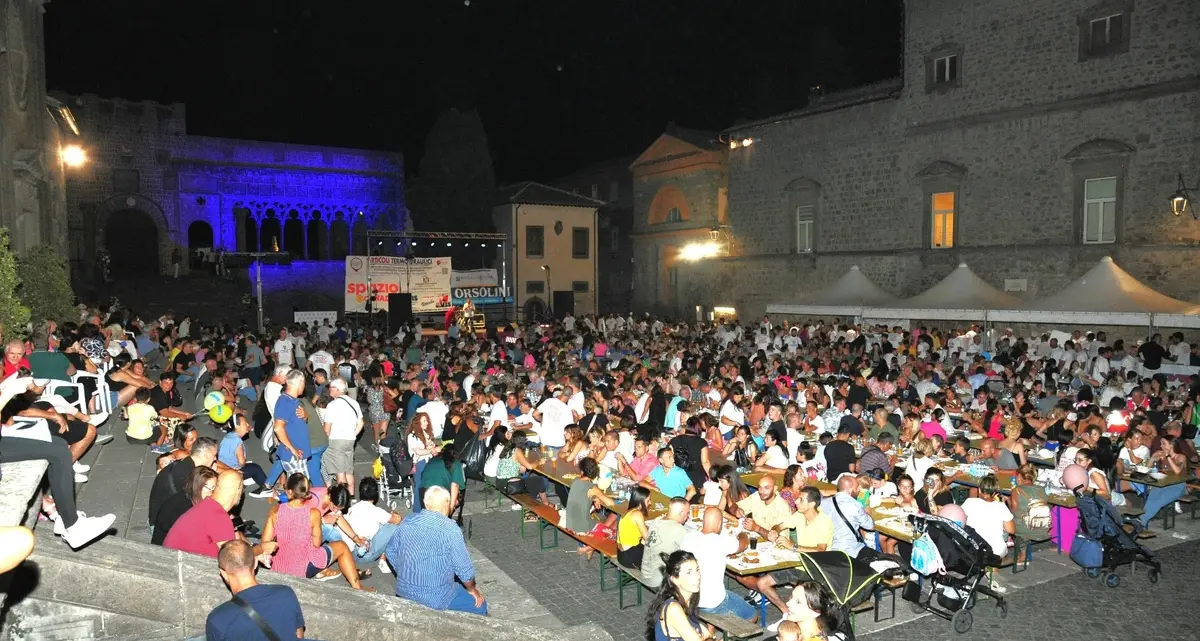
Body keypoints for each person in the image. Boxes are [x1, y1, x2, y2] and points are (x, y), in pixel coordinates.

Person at [386, 485, 487, 615]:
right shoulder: (450, 529)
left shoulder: (408, 521)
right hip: (436, 597)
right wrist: (473, 590)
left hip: (404, 591)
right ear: (446, 505)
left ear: (425, 503)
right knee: (480, 606)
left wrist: (404, 571)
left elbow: (390, 551)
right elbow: (465, 571)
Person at [260, 473, 371, 590]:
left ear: (289, 491)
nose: (336, 511)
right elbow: (316, 544)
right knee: (341, 545)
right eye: (335, 508)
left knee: (329, 532)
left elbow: (265, 543)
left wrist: (355, 537)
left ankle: (332, 568)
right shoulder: (313, 509)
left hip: (278, 567)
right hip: (302, 568)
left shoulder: (275, 511)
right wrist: (321, 521)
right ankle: (357, 586)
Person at [205, 539, 306, 641]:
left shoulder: (217, 619)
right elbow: (299, 636)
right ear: (256, 563)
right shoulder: (286, 594)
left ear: (223, 573)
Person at [758, 486, 834, 619]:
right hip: (798, 565)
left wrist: (793, 546)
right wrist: (775, 530)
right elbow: (780, 525)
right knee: (762, 583)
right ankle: (787, 612)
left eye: (801, 499)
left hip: (815, 569)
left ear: (811, 504)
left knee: (795, 596)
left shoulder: (824, 521)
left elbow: (820, 550)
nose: (796, 502)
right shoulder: (799, 515)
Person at [164, 470, 273, 559]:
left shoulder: (207, 505)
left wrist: (254, 552)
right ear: (238, 491)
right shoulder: (218, 516)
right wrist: (262, 548)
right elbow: (236, 558)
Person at [681, 506, 756, 622]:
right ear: (720, 523)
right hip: (712, 602)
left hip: (689, 596)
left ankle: (711, 632)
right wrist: (742, 534)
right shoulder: (721, 541)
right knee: (752, 616)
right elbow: (744, 544)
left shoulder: (688, 537)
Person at [149, 436, 218, 535]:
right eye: (214, 455)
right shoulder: (188, 475)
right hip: (162, 527)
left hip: (160, 517)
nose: (215, 459)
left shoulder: (184, 464)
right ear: (206, 455)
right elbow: (199, 503)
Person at [644, 550, 712, 641]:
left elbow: (708, 634)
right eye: (689, 573)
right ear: (675, 580)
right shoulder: (673, 608)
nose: (697, 576)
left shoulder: (689, 598)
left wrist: (708, 637)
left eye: (697, 570)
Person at [344, 477, 404, 572]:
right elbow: (397, 520)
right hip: (363, 555)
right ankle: (384, 560)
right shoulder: (377, 511)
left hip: (349, 552)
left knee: (383, 524)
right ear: (376, 494)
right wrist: (394, 514)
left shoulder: (352, 508)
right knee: (395, 527)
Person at [152, 465, 217, 545]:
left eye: (214, 488)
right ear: (197, 486)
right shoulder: (178, 505)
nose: (212, 493)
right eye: (209, 488)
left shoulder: (198, 500)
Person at [961, 474, 1016, 563]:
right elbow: (1011, 530)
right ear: (994, 493)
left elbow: (959, 521)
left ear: (979, 490)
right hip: (996, 551)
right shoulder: (1001, 506)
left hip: (973, 547)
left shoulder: (969, 502)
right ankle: (993, 567)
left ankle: (986, 565)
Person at [821, 474, 876, 561]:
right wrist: (868, 512)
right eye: (857, 487)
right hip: (849, 551)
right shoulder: (855, 505)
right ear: (850, 490)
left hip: (827, 548)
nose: (859, 490)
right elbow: (870, 526)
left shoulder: (823, 503)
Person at [322, 377, 363, 491]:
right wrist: (352, 434)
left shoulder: (332, 405)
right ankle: (351, 496)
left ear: (337, 389)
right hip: (350, 440)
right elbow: (361, 423)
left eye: (331, 388)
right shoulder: (354, 403)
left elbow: (326, 429)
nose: (329, 390)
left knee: (340, 473)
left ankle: (343, 501)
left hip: (336, 441)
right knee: (348, 471)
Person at [641, 498, 690, 589]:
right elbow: (691, 552)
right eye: (687, 513)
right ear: (681, 513)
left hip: (645, 572)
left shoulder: (657, 520)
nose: (688, 516)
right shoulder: (678, 529)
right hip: (657, 579)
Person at [218, 415, 271, 498]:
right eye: (244, 423)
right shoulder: (237, 441)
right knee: (255, 468)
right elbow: (242, 463)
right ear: (237, 426)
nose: (247, 424)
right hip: (232, 470)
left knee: (249, 465)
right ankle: (267, 489)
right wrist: (243, 462)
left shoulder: (229, 435)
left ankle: (244, 479)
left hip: (223, 466)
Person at [421, 445, 466, 511]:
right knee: (459, 497)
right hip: (441, 494)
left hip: (425, 493)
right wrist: (450, 508)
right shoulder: (455, 463)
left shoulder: (432, 460)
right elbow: (455, 485)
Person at [617, 486, 651, 568]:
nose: (650, 503)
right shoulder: (638, 514)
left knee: (644, 541)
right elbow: (647, 538)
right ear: (641, 501)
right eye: (648, 500)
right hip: (629, 558)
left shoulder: (628, 511)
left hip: (621, 554)